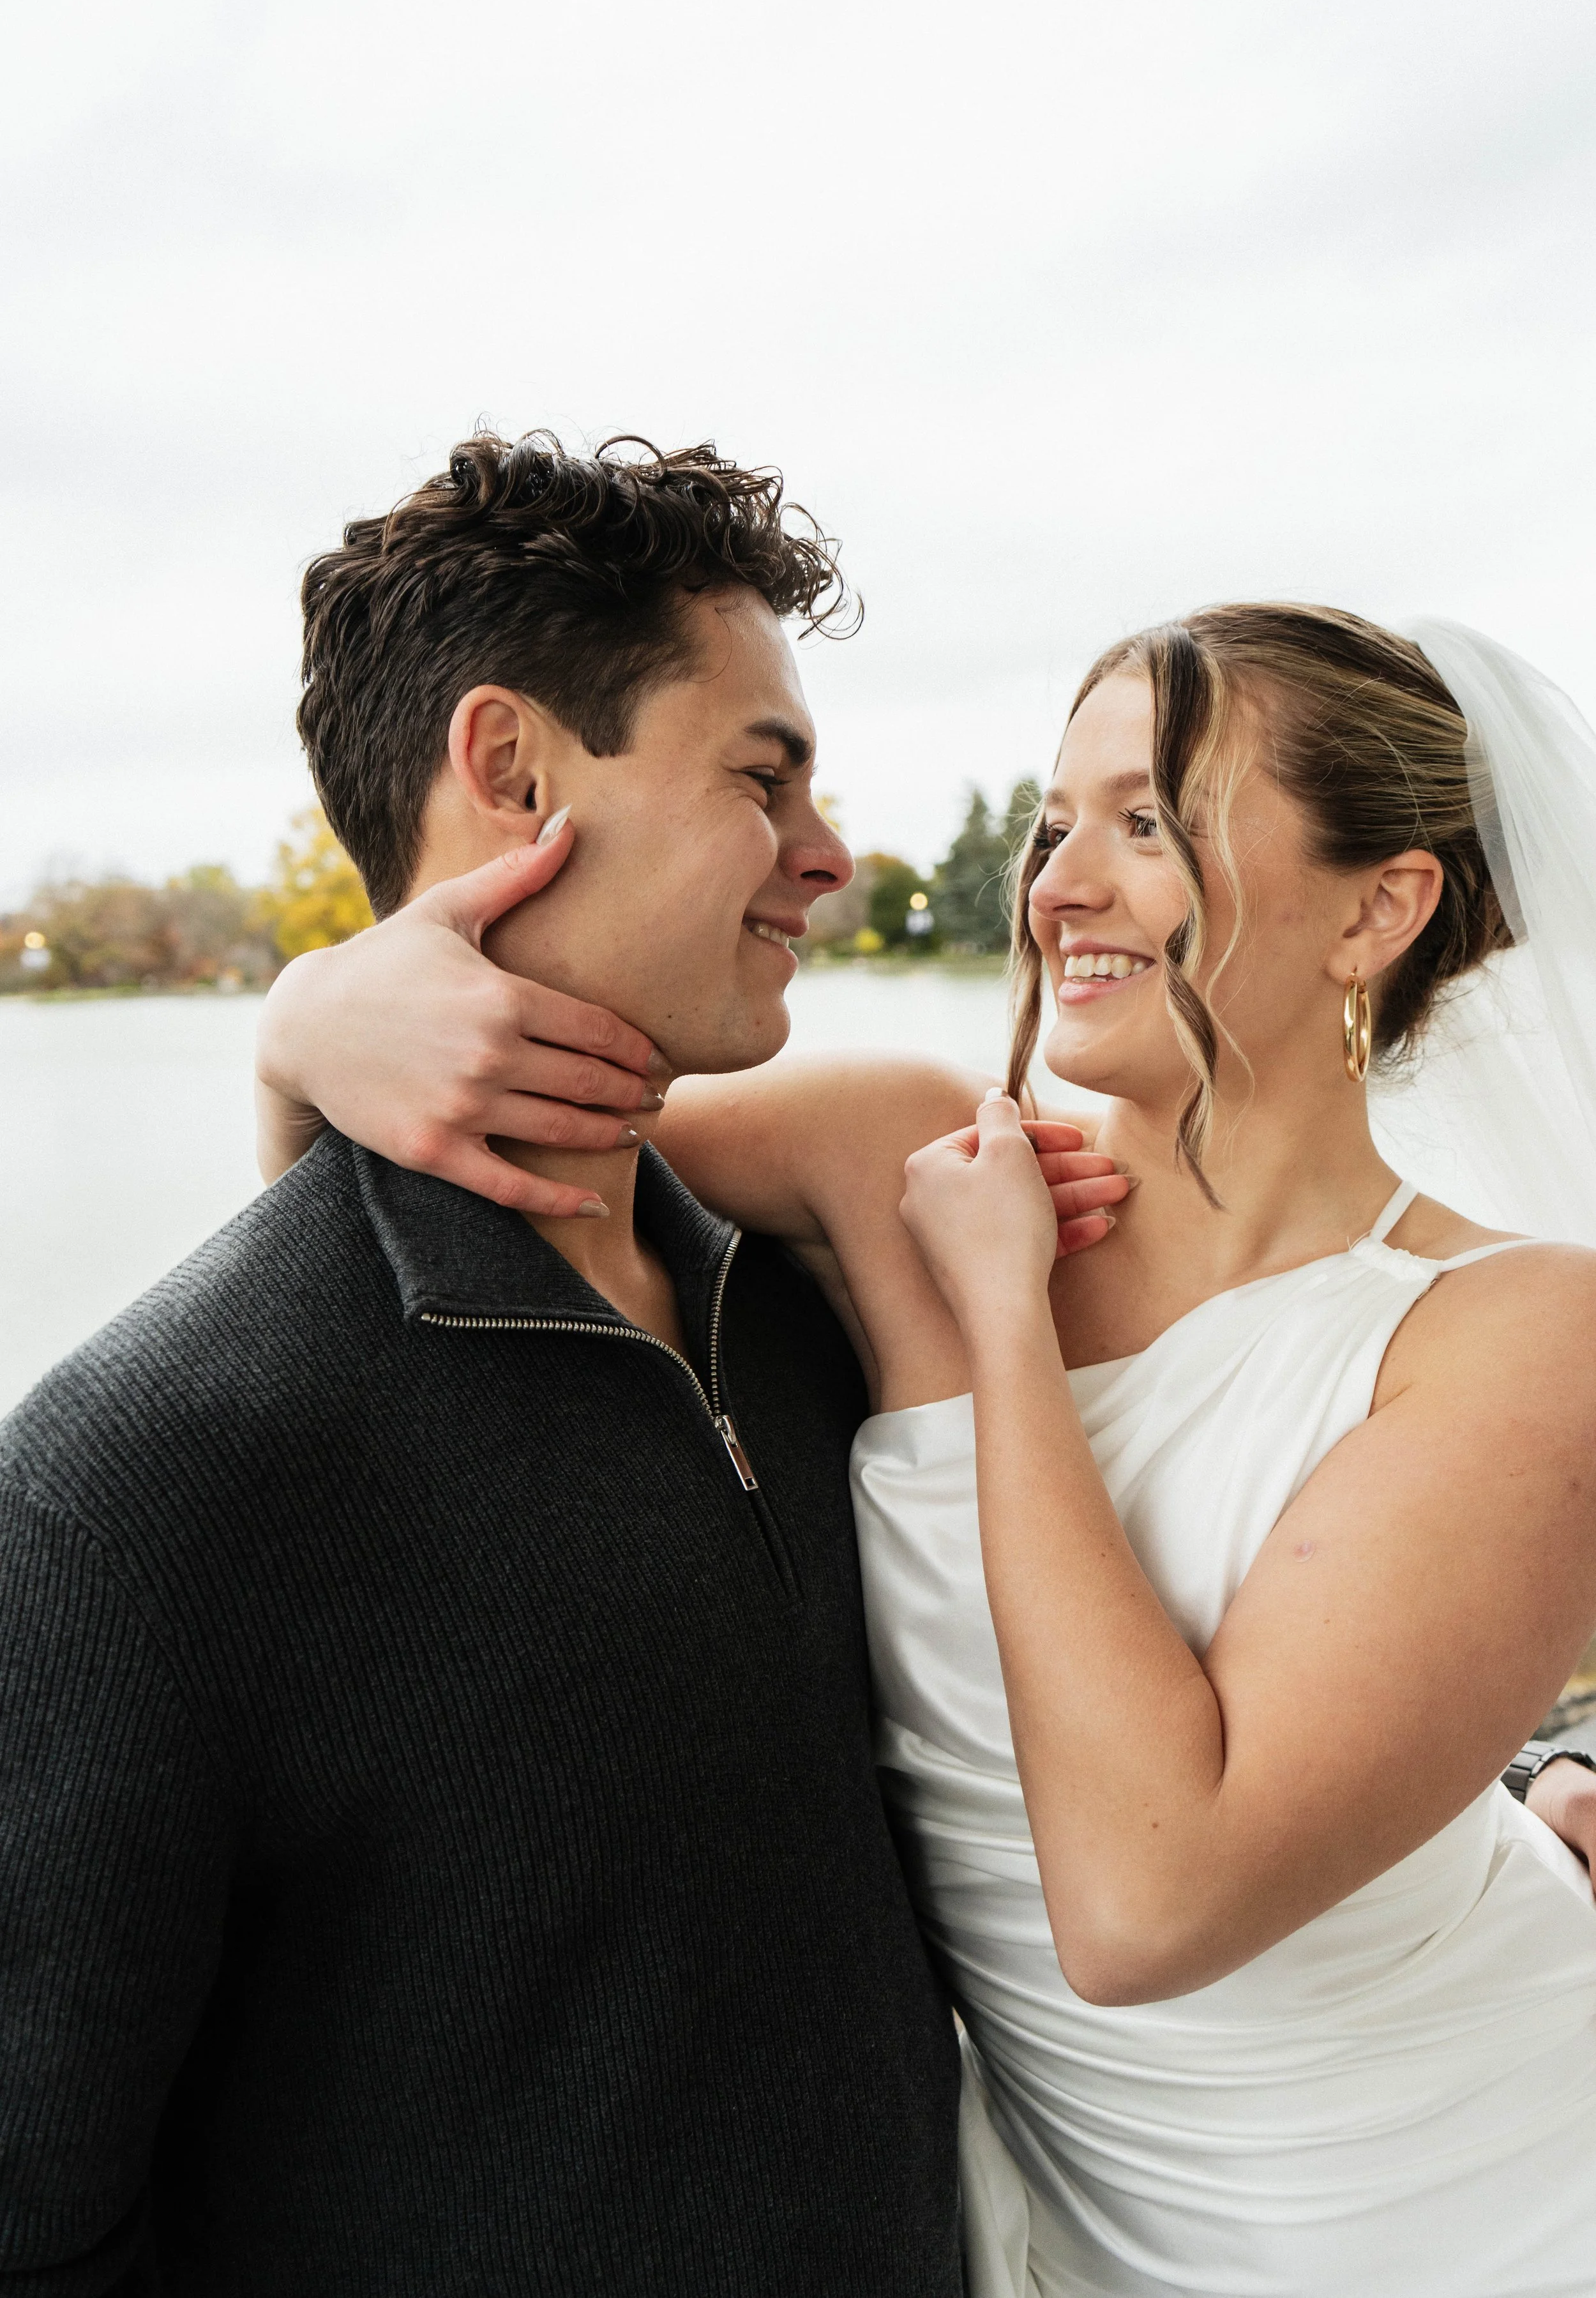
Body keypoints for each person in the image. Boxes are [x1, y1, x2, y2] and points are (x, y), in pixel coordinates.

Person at [259, 600, 1596, 2295]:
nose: (1058, 887)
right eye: (1052, 825)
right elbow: (426, 1175)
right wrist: (304, 1018)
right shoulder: (888, 1146)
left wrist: (999, 1320)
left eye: (1149, 824)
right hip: (1083, 2223)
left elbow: (1143, 1906)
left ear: (1377, 909)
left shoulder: (1520, 1326)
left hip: (1491, 2186)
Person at [0, 431, 1077, 2296]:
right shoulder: (139, 1477)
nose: (828, 855)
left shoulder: (824, 1288)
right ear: (508, 768)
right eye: (764, 775)